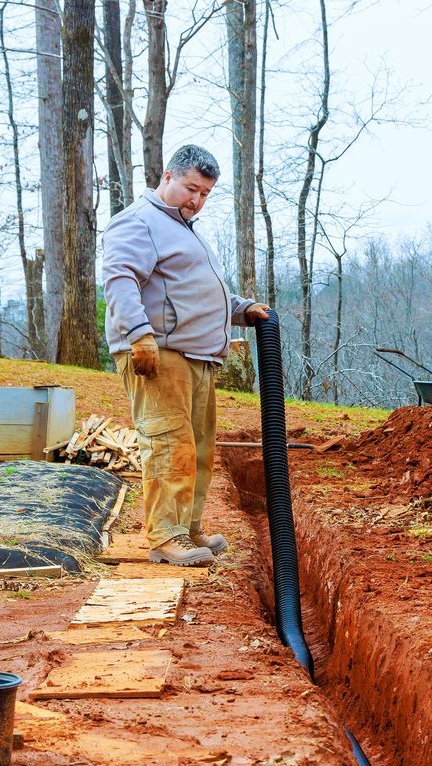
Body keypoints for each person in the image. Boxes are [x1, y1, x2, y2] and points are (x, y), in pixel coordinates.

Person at [102, 143, 273, 567]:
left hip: (196, 358)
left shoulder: (183, 228)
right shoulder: (140, 221)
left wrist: (240, 309)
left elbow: (195, 291)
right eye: (190, 188)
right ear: (167, 177)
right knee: (167, 444)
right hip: (159, 353)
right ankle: (165, 537)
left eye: (204, 194)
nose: (196, 200)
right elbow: (120, 278)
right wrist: (139, 336)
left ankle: (188, 528)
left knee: (195, 448)